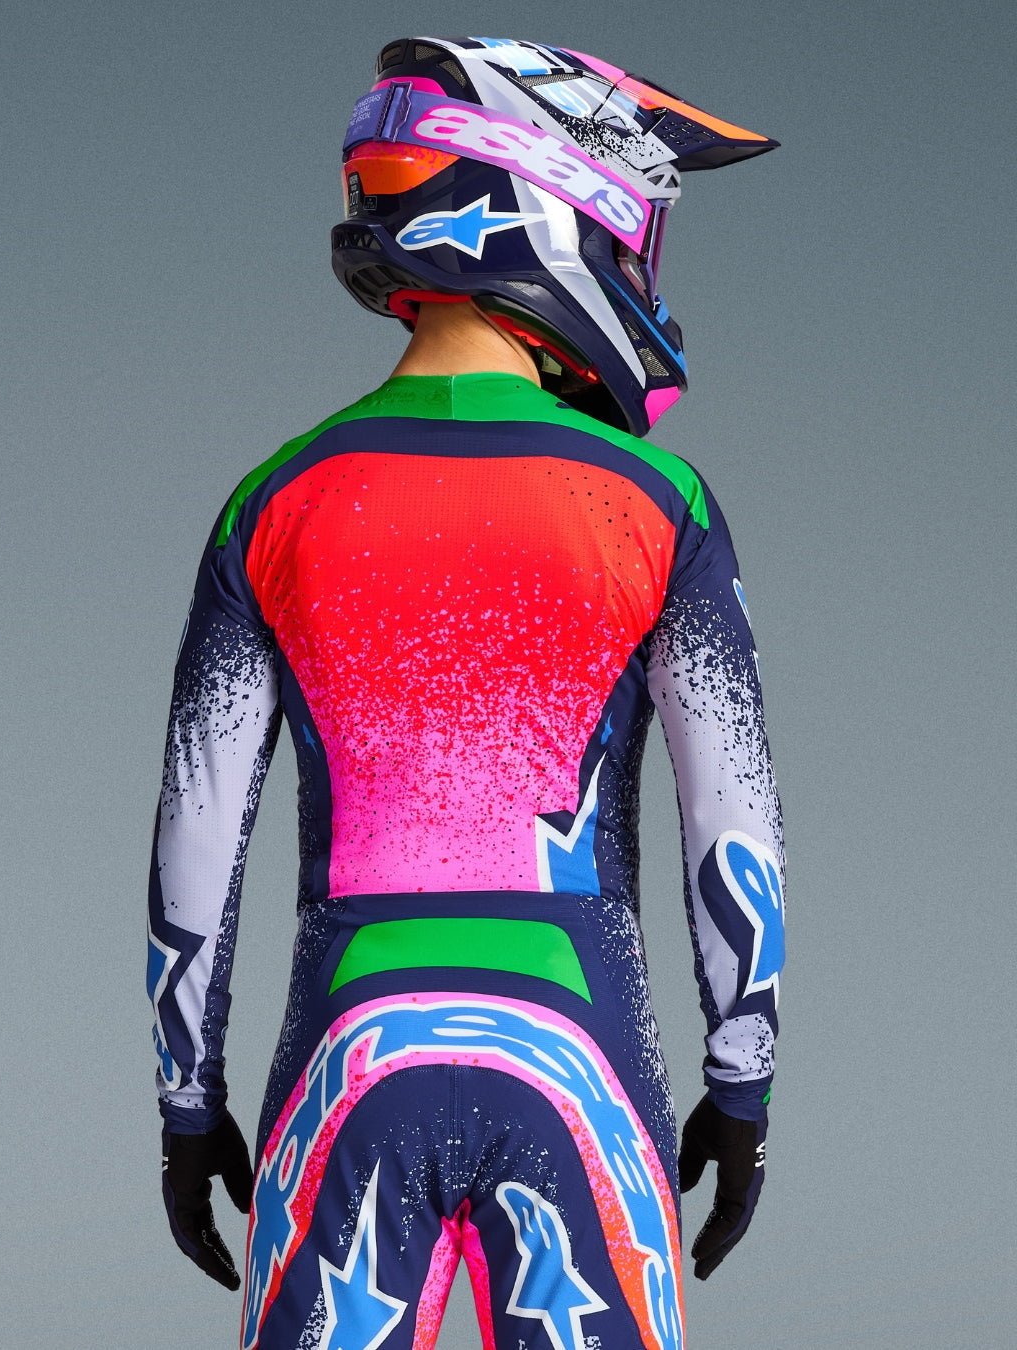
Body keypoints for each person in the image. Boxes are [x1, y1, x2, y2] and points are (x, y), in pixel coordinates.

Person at [148, 37, 784, 1350]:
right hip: (582, 1044)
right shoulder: (663, 504)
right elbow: (734, 823)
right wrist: (743, 1085)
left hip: (345, 1050)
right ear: (557, 206)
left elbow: (197, 837)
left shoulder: (273, 501)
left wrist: (187, 1104)